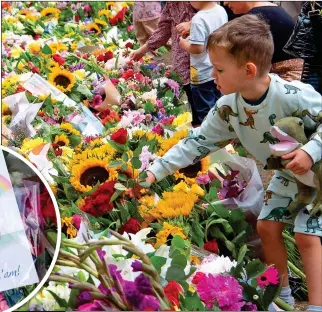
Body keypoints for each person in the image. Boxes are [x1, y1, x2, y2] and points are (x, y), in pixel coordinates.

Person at [145, 15, 322, 311]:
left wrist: (311, 151)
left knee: (306, 235)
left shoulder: (293, 95)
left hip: (317, 175)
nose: (213, 76)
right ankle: (282, 292)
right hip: (287, 175)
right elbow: (197, 142)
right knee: (266, 226)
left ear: (248, 70)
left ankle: (317, 304)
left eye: (219, 69)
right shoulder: (229, 108)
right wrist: (154, 171)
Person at [130, 2, 200, 125]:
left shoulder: (198, 4)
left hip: (200, 63)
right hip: (182, 62)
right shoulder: (171, 5)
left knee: (203, 100)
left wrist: (192, 23)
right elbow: (164, 29)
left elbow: (210, 15)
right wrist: (143, 49)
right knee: (191, 98)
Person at [224, 1, 304, 81]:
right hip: (296, 78)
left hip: (282, 82)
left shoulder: (255, 19)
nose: (225, 3)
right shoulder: (275, 9)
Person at [178, 1, 227, 123]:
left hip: (201, 73)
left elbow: (197, 48)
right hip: (218, 69)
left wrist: (184, 44)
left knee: (205, 113)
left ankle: (208, 137)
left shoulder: (198, 19)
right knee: (220, 106)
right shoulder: (221, 10)